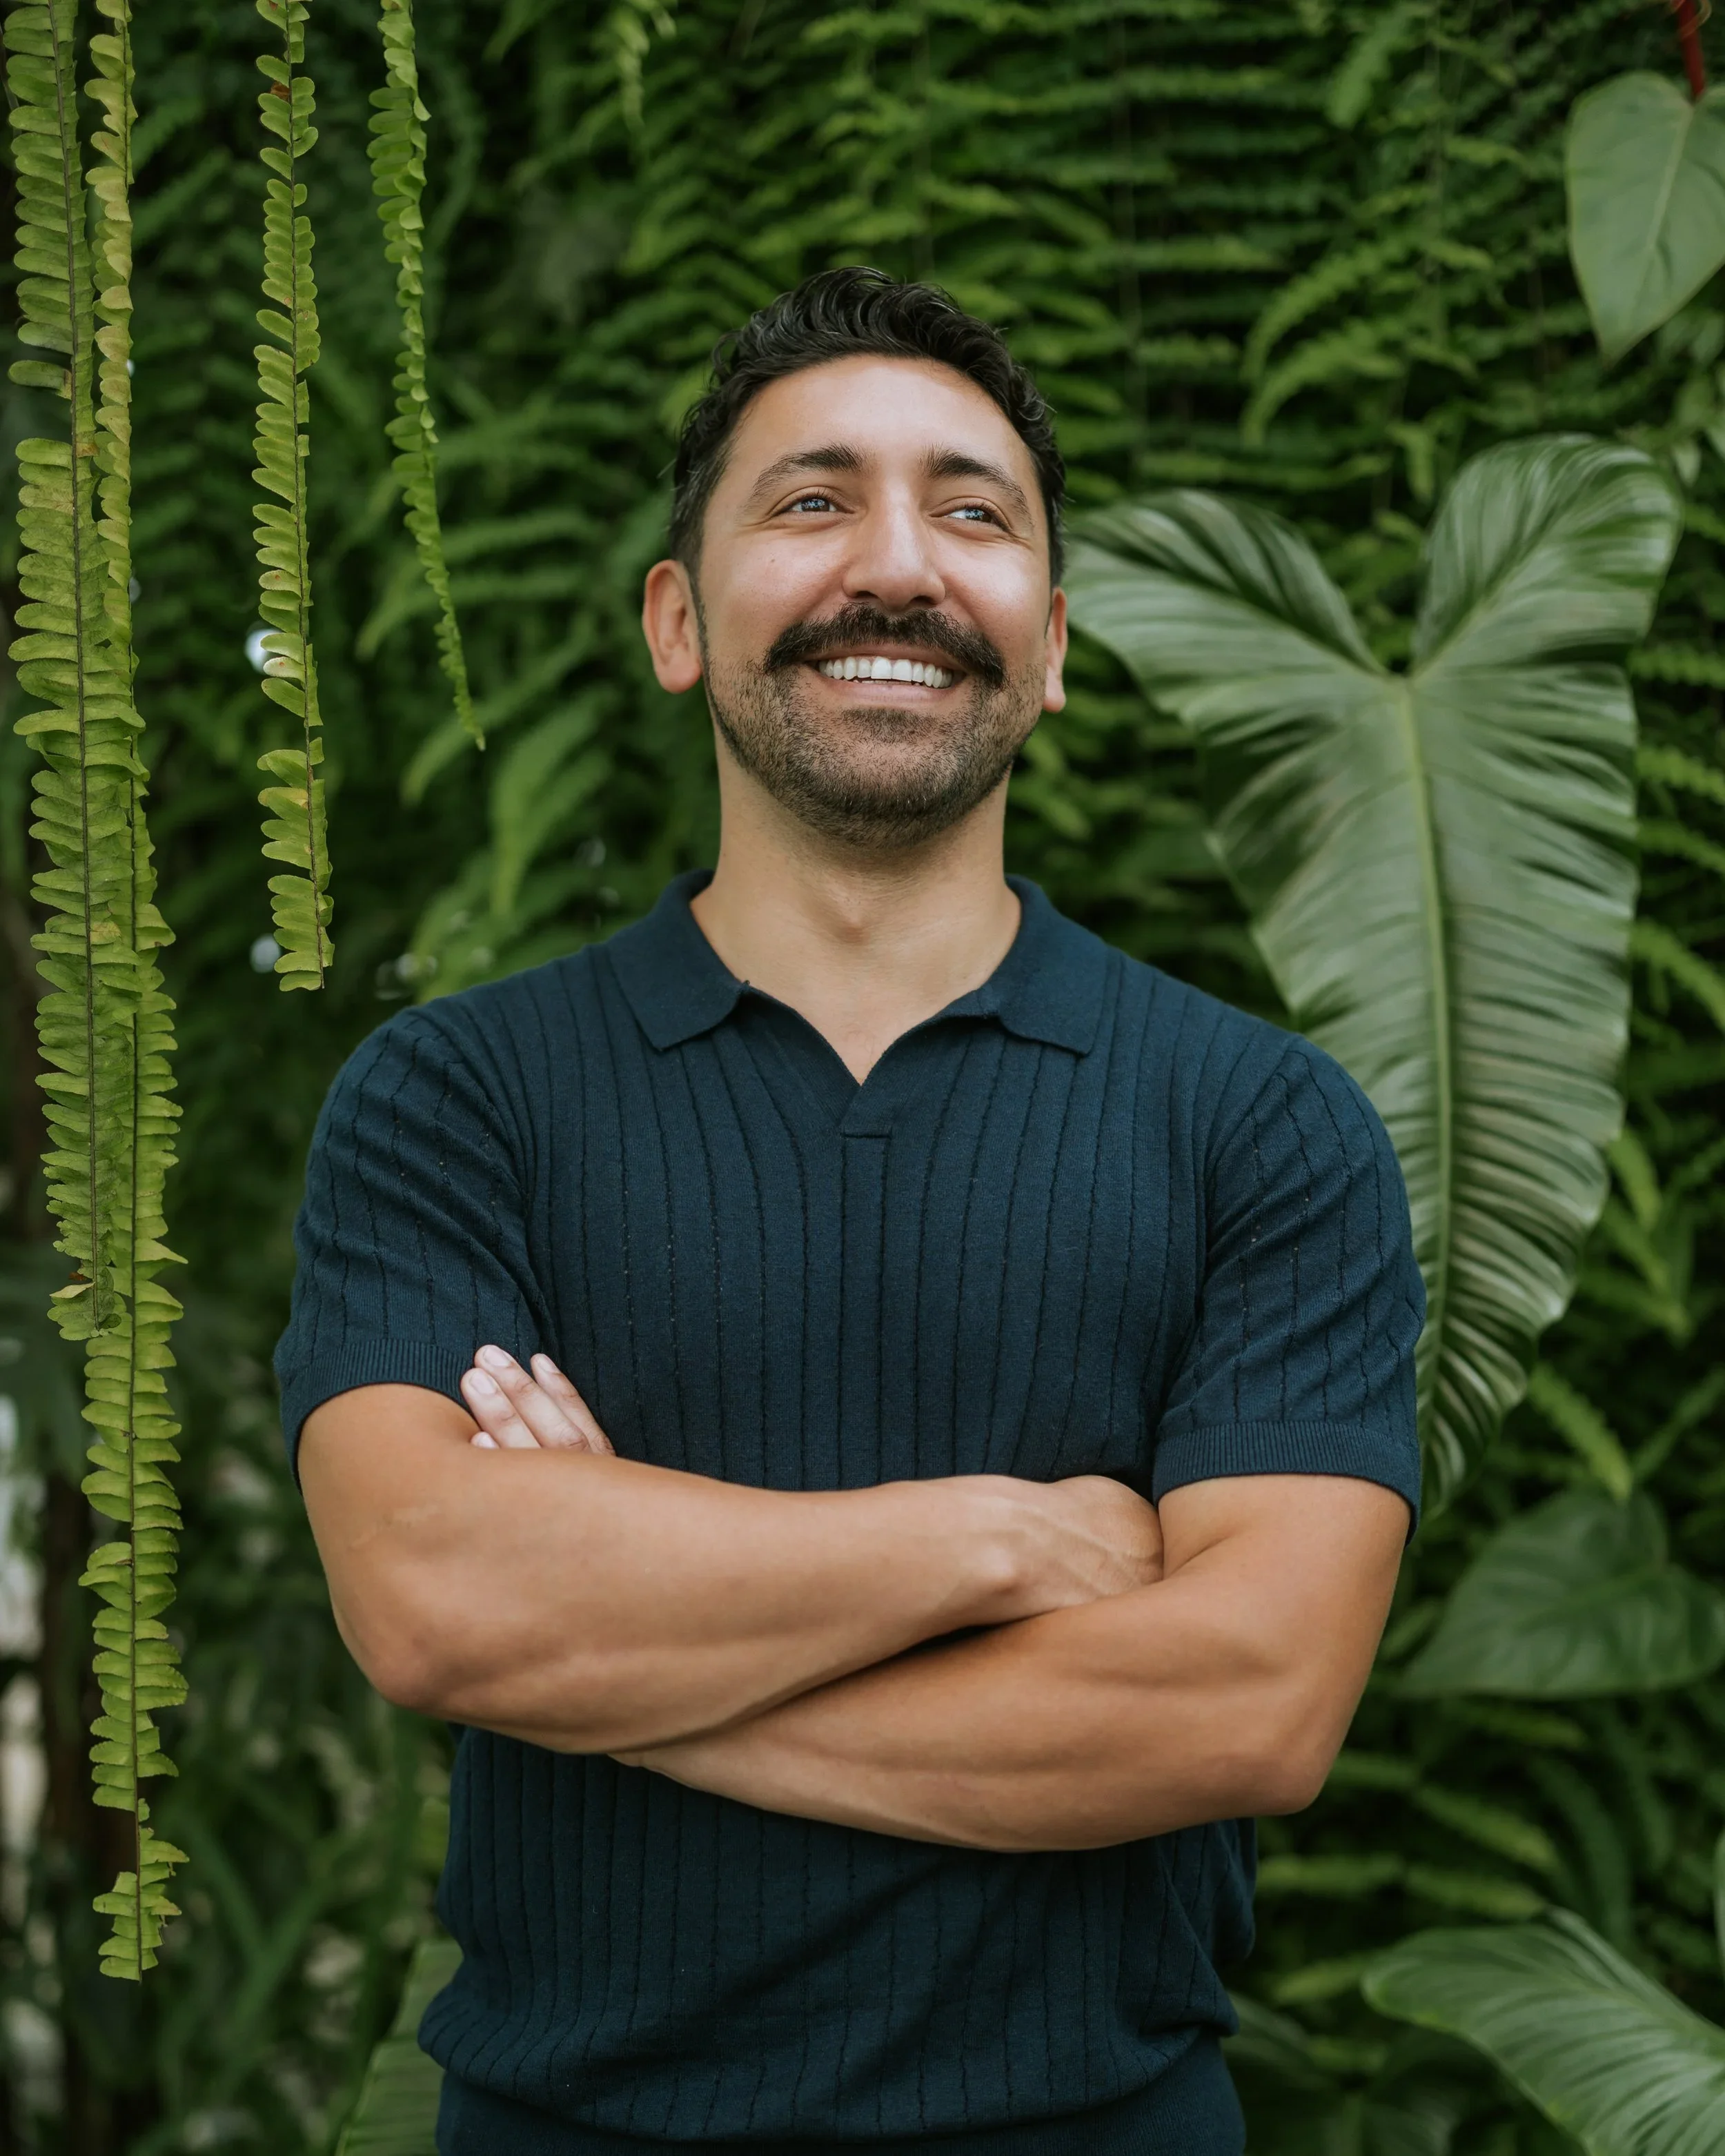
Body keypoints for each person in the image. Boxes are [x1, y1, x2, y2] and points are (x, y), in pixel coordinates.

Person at [279, 266, 1423, 2156]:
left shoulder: (1259, 1123)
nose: (895, 565)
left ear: (1047, 642)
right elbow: (436, 1597)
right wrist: (992, 1539)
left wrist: (622, 1681)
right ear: (674, 619)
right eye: (809, 501)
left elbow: (1244, 1701)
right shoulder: (456, 1098)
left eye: (969, 513)